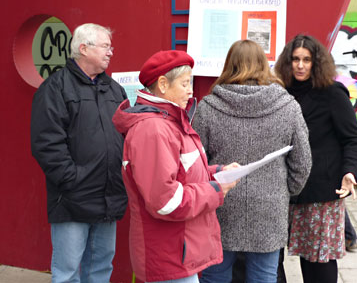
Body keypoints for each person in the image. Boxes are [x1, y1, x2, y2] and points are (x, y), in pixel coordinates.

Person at [112, 50, 239, 283]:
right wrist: (215, 190)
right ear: (162, 84)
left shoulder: (168, 122)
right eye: (185, 83)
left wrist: (217, 173)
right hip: (168, 258)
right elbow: (166, 201)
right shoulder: (153, 129)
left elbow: (183, 174)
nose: (191, 90)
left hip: (177, 254)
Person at [191, 39, 312, 283]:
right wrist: (285, 191)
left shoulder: (208, 107)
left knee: (214, 276)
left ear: (229, 65)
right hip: (270, 206)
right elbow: (303, 162)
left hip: (220, 203)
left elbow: (194, 161)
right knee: (265, 277)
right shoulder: (288, 106)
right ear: (263, 65)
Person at [31, 23, 128, 283]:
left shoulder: (114, 89)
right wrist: (72, 180)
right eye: (106, 46)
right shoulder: (55, 88)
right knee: (68, 273)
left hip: (108, 196)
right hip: (72, 198)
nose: (111, 52)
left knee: (100, 270)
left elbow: (126, 136)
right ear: (83, 49)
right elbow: (46, 143)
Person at [274, 34, 357, 283]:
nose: (300, 65)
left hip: (321, 194)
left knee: (318, 264)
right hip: (285, 190)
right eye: (295, 59)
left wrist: (350, 172)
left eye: (307, 60)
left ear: (317, 62)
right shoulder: (280, 92)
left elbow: (353, 140)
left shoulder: (332, 93)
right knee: (272, 261)